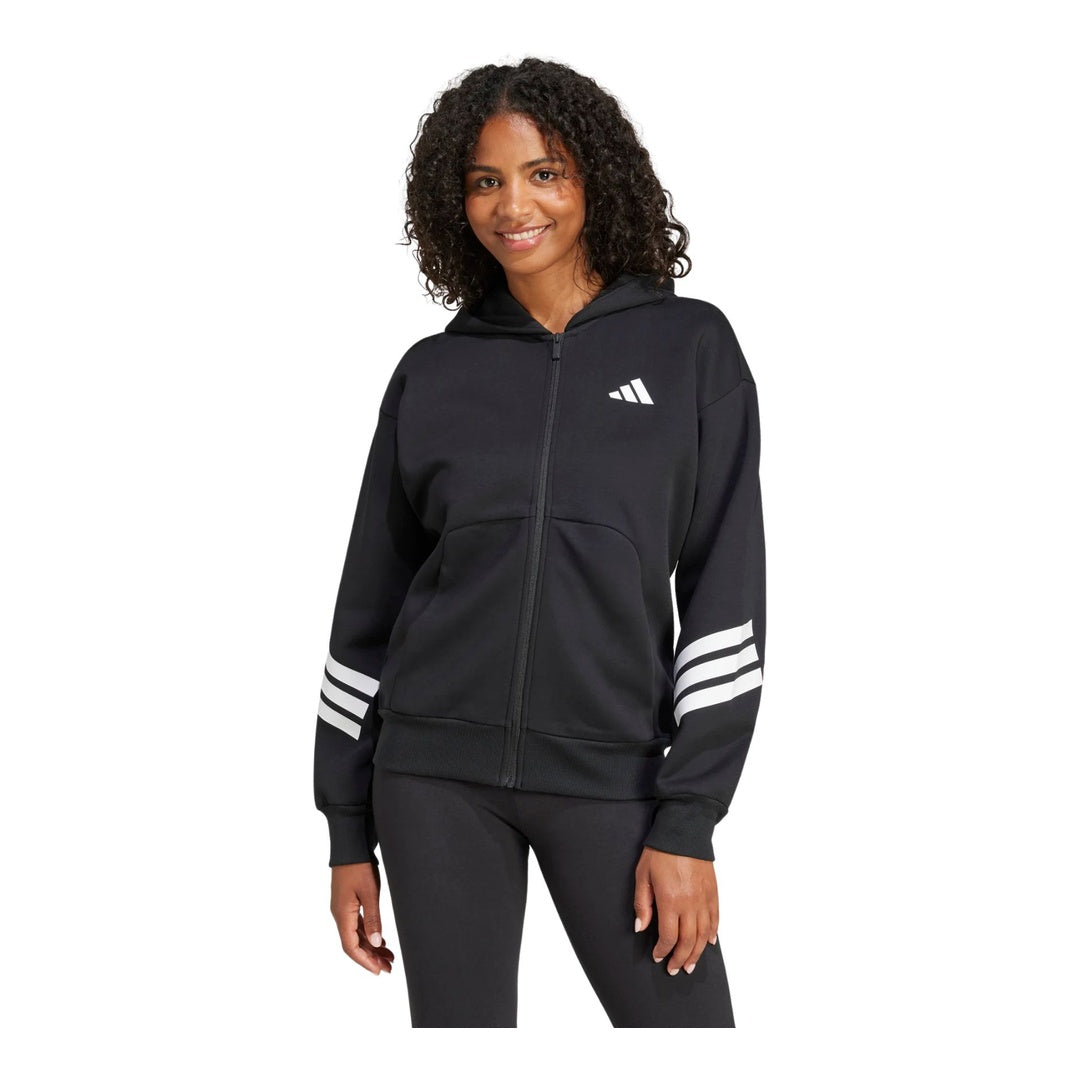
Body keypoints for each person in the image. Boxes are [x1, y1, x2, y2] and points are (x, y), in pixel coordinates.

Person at [313, 57, 767, 1028]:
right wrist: (347, 828)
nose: (513, 206)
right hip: (431, 781)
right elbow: (368, 610)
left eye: (544, 173)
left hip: (614, 774)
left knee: (689, 1037)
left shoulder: (691, 350)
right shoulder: (434, 373)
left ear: (594, 178)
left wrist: (689, 816)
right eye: (486, 180)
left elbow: (725, 599)